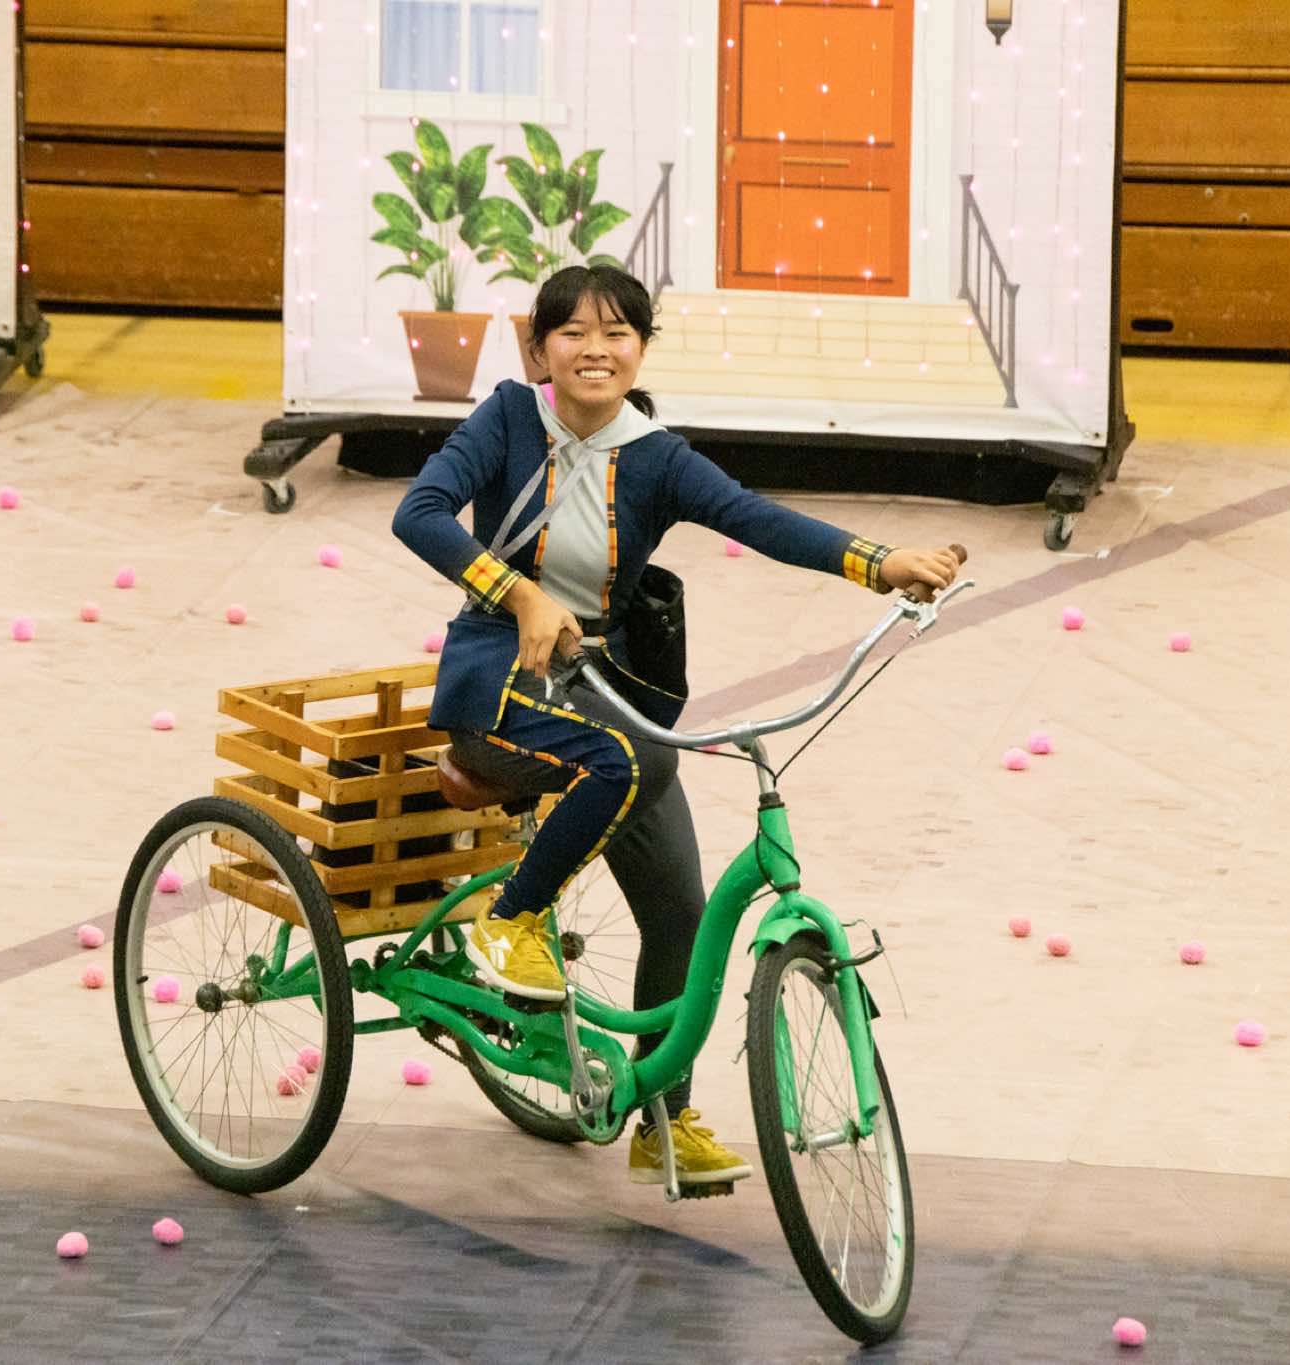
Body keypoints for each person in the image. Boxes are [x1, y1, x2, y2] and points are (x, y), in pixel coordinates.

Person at [391, 264, 961, 1188]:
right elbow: (417, 513)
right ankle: (512, 920)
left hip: (600, 689)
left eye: (617, 333)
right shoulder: (506, 419)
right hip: (497, 673)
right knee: (627, 761)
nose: (596, 350)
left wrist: (879, 562)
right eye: (573, 333)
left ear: (642, 350)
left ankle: (664, 1117)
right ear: (538, 350)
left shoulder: (654, 456)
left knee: (682, 914)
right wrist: (520, 595)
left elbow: (755, 518)